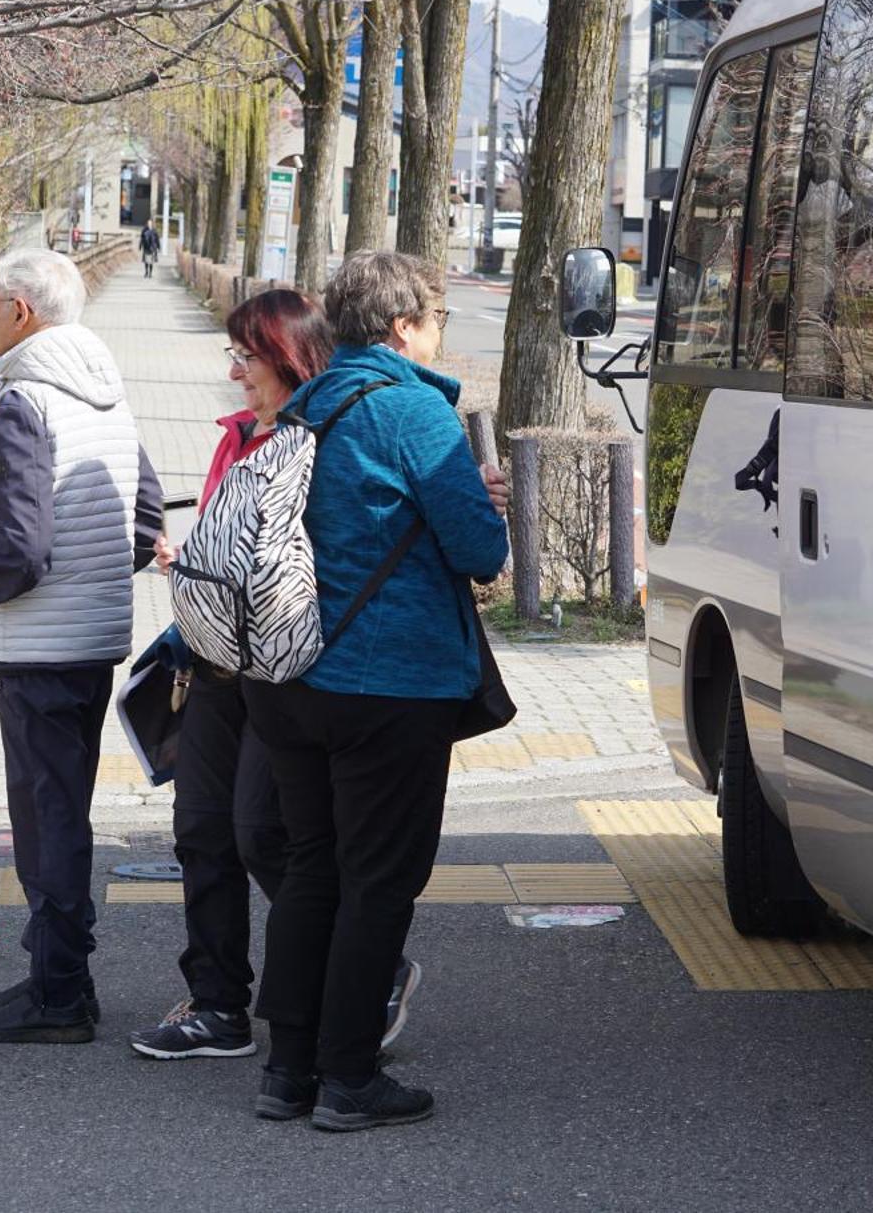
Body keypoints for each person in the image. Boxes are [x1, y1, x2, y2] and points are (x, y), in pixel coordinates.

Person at [243, 251, 508, 1132]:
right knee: (379, 881)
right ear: (403, 328)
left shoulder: (305, 405)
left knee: (314, 867)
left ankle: (289, 1072)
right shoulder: (411, 410)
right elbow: (478, 552)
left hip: (291, 678)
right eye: (437, 322)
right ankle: (350, 1076)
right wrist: (478, 502)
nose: (440, 339)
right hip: (388, 683)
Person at [0, 248, 162, 1044]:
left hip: (40, 641)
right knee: (59, 810)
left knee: (47, 819)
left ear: (22, 313)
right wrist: (98, 577)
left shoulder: (23, 401)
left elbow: (23, 547)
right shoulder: (106, 391)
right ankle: (53, 974)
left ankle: (62, 993)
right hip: (90, 635)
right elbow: (144, 516)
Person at [129, 290, 335, 1061]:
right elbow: (227, 537)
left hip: (279, 672)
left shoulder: (318, 437)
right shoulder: (235, 436)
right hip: (213, 659)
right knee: (200, 833)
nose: (234, 369)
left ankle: (359, 964)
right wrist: (191, 561)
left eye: (246, 355)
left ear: (287, 357)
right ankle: (216, 1005)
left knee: (262, 837)